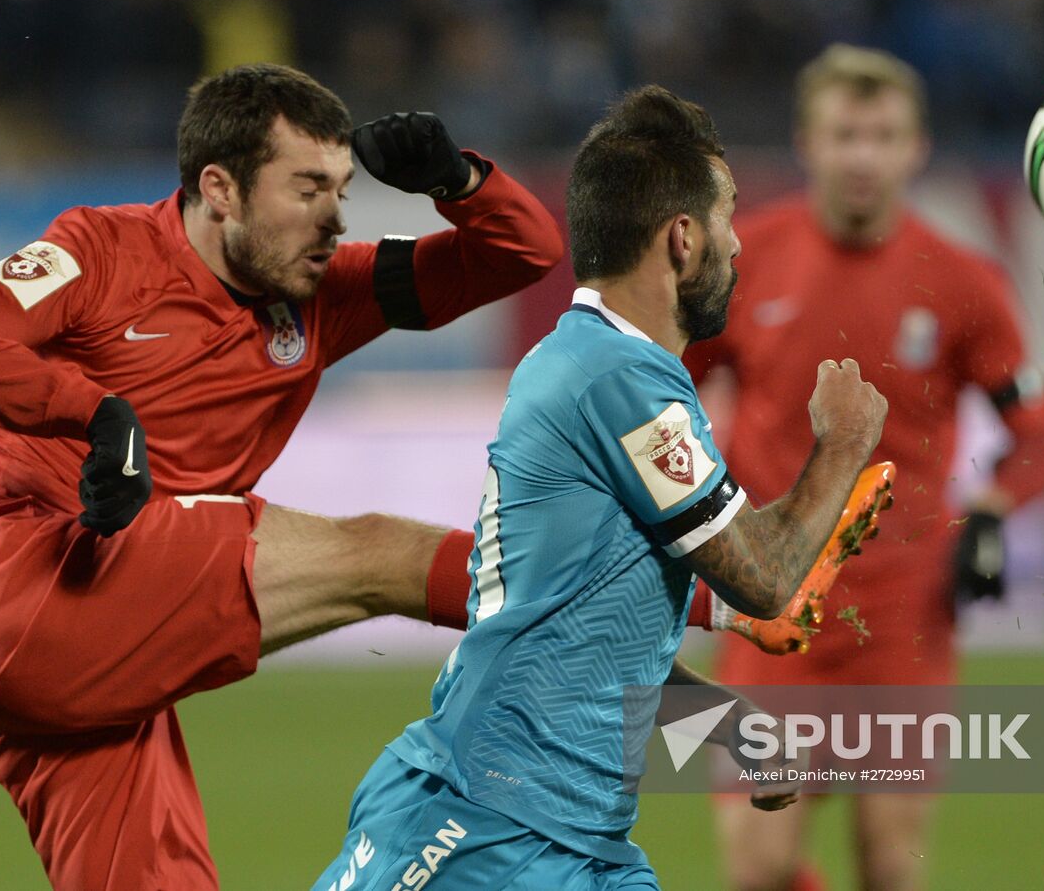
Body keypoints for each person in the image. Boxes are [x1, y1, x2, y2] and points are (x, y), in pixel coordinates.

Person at [0, 63, 566, 890]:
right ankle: (708, 691)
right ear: (222, 189)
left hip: (104, 659)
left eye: (342, 188)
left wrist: (458, 181)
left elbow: (526, 252)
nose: (334, 219)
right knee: (383, 555)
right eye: (307, 188)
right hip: (38, 588)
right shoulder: (99, 251)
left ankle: (755, 747)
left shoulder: (324, 293)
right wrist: (93, 412)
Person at [310, 85, 889, 891]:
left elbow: (592, 641)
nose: (739, 246)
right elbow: (761, 577)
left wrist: (733, 727)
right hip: (482, 830)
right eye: (725, 219)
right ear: (682, 239)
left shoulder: (606, 368)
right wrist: (846, 443)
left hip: (579, 843)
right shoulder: (617, 382)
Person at [685, 45, 1044, 891]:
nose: (863, 155)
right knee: (757, 869)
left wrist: (994, 509)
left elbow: (1034, 438)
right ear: (807, 143)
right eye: (845, 133)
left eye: (882, 135)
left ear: (915, 148)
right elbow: (667, 395)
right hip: (771, 606)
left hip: (903, 616)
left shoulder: (965, 281)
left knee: (891, 869)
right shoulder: (743, 263)